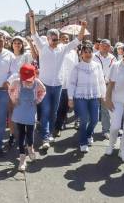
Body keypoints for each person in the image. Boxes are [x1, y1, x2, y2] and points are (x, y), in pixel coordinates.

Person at [29, 10, 88, 150]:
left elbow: (78, 40)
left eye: (57, 39)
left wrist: (83, 27)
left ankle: (49, 133)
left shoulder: (63, 49)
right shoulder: (42, 47)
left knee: (53, 112)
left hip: (58, 86)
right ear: (48, 39)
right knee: (45, 111)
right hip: (44, 86)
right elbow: (34, 34)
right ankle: (45, 137)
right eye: (54, 39)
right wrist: (32, 19)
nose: (56, 42)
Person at [68, 41, 106, 153]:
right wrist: (70, 98)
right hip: (80, 97)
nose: (88, 54)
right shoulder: (77, 67)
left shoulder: (97, 66)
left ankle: (89, 134)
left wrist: (103, 95)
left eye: (90, 52)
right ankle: (83, 142)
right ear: (81, 54)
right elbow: (72, 83)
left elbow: (101, 81)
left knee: (94, 120)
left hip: (94, 96)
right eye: (86, 52)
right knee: (84, 120)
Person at [8, 64, 46, 171]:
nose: (28, 81)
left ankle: (30, 148)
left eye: (30, 79)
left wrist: (37, 100)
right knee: (21, 134)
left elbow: (43, 91)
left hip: (30, 110)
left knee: (30, 132)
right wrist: (14, 99)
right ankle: (22, 158)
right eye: (25, 79)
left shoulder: (37, 82)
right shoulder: (16, 82)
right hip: (19, 110)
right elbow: (10, 89)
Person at [8, 35, 33, 146]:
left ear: (22, 45)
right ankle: (12, 135)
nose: (17, 45)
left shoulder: (26, 55)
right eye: (15, 43)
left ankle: (25, 135)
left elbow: (33, 65)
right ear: (11, 44)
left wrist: (31, 42)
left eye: (19, 43)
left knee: (24, 111)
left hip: (24, 87)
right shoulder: (8, 55)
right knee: (11, 112)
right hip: (11, 87)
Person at [54, 41, 78, 137]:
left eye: (67, 39)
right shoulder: (57, 50)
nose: (66, 40)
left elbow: (76, 66)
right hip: (60, 83)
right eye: (63, 38)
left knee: (69, 106)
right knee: (60, 107)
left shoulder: (74, 53)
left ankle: (66, 121)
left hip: (70, 83)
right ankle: (58, 127)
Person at [94, 39, 116, 140]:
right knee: (93, 108)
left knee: (105, 109)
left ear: (110, 47)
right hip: (94, 85)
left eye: (107, 46)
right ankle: (90, 130)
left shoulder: (113, 58)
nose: (105, 47)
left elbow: (115, 72)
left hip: (107, 85)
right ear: (99, 46)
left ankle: (105, 130)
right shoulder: (94, 56)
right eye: (103, 45)